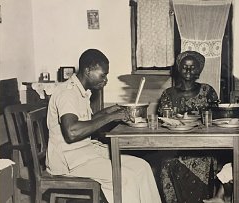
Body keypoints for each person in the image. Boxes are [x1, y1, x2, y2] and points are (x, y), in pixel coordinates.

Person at [45, 49, 162, 203]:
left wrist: (111, 109)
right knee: (126, 178)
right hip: (69, 162)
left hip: (86, 153)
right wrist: (111, 116)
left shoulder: (81, 91)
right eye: (103, 75)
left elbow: (86, 121)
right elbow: (72, 131)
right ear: (88, 71)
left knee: (142, 167)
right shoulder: (68, 93)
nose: (105, 80)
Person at [157, 51, 219, 203]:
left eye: (193, 67)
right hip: (175, 146)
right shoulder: (168, 93)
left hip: (203, 146)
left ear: (199, 70)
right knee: (167, 163)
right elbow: (163, 120)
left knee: (205, 162)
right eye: (185, 67)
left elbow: (216, 116)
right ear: (179, 68)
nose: (189, 71)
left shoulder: (207, 91)